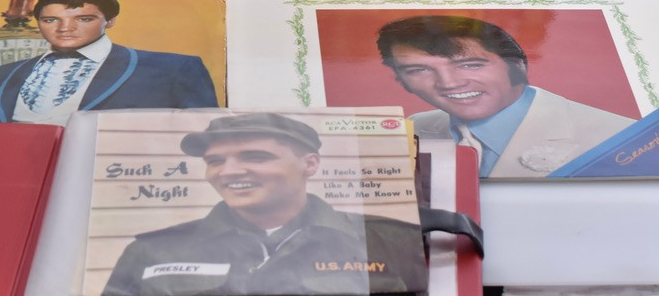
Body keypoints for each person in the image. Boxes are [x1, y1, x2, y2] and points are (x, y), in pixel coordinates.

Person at [103, 113, 428, 295]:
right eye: (215, 161)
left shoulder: (390, 241)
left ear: (310, 164)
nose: (228, 171)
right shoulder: (152, 251)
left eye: (255, 157)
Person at [376, 15, 635, 177]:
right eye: (418, 70)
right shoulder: (416, 126)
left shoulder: (620, 137)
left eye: (470, 64)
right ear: (401, 79)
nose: (449, 83)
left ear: (517, 66)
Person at [0, 0, 218, 122]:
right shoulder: (1, 74)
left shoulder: (172, 69)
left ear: (109, 21)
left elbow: (205, 136)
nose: (65, 28)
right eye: (50, 20)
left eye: (84, 19)